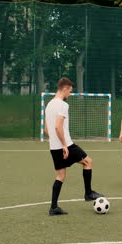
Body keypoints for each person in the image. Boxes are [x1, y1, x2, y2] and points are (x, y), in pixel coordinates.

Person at [44, 77, 103, 216]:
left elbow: (46, 129)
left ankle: (53, 208)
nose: (70, 94)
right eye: (70, 91)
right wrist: (64, 145)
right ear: (65, 88)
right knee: (88, 162)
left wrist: (56, 143)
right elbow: (58, 126)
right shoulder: (63, 105)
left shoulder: (49, 105)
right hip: (67, 146)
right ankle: (88, 193)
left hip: (53, 147)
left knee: (60, 175)